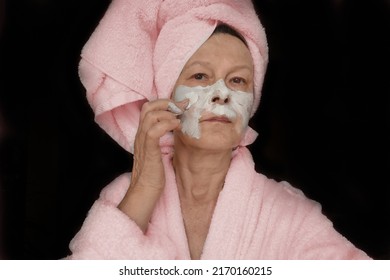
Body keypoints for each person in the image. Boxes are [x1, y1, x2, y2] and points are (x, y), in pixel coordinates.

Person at [65, 0, 371, 259]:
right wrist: (144, 188)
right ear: (165, 96)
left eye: (237, 80)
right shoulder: (123, 197)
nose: (222, 94)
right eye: (200, 76)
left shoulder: (289, 216)